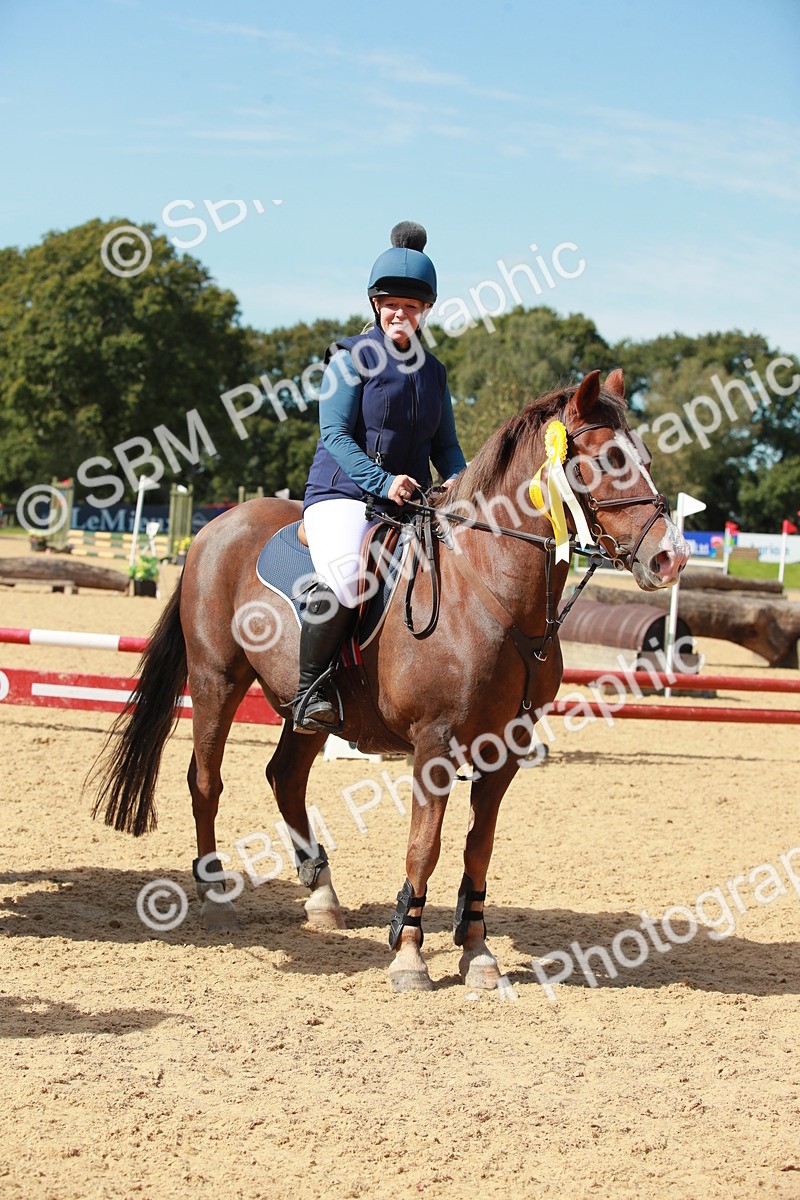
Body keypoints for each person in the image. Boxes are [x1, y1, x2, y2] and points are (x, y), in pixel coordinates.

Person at [292, 221, 467, 732]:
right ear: (376, 305)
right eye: (391, 304)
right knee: (349, 578)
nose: (400, 314)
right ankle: (309, 691)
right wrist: (383, 481)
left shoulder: (434, 372)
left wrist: (463, 481)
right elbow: (335, 435)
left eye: (411, 307)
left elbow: (447, 447)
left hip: (408, 504)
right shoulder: (349, 357)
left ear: (426, 311)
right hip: (342, 495)